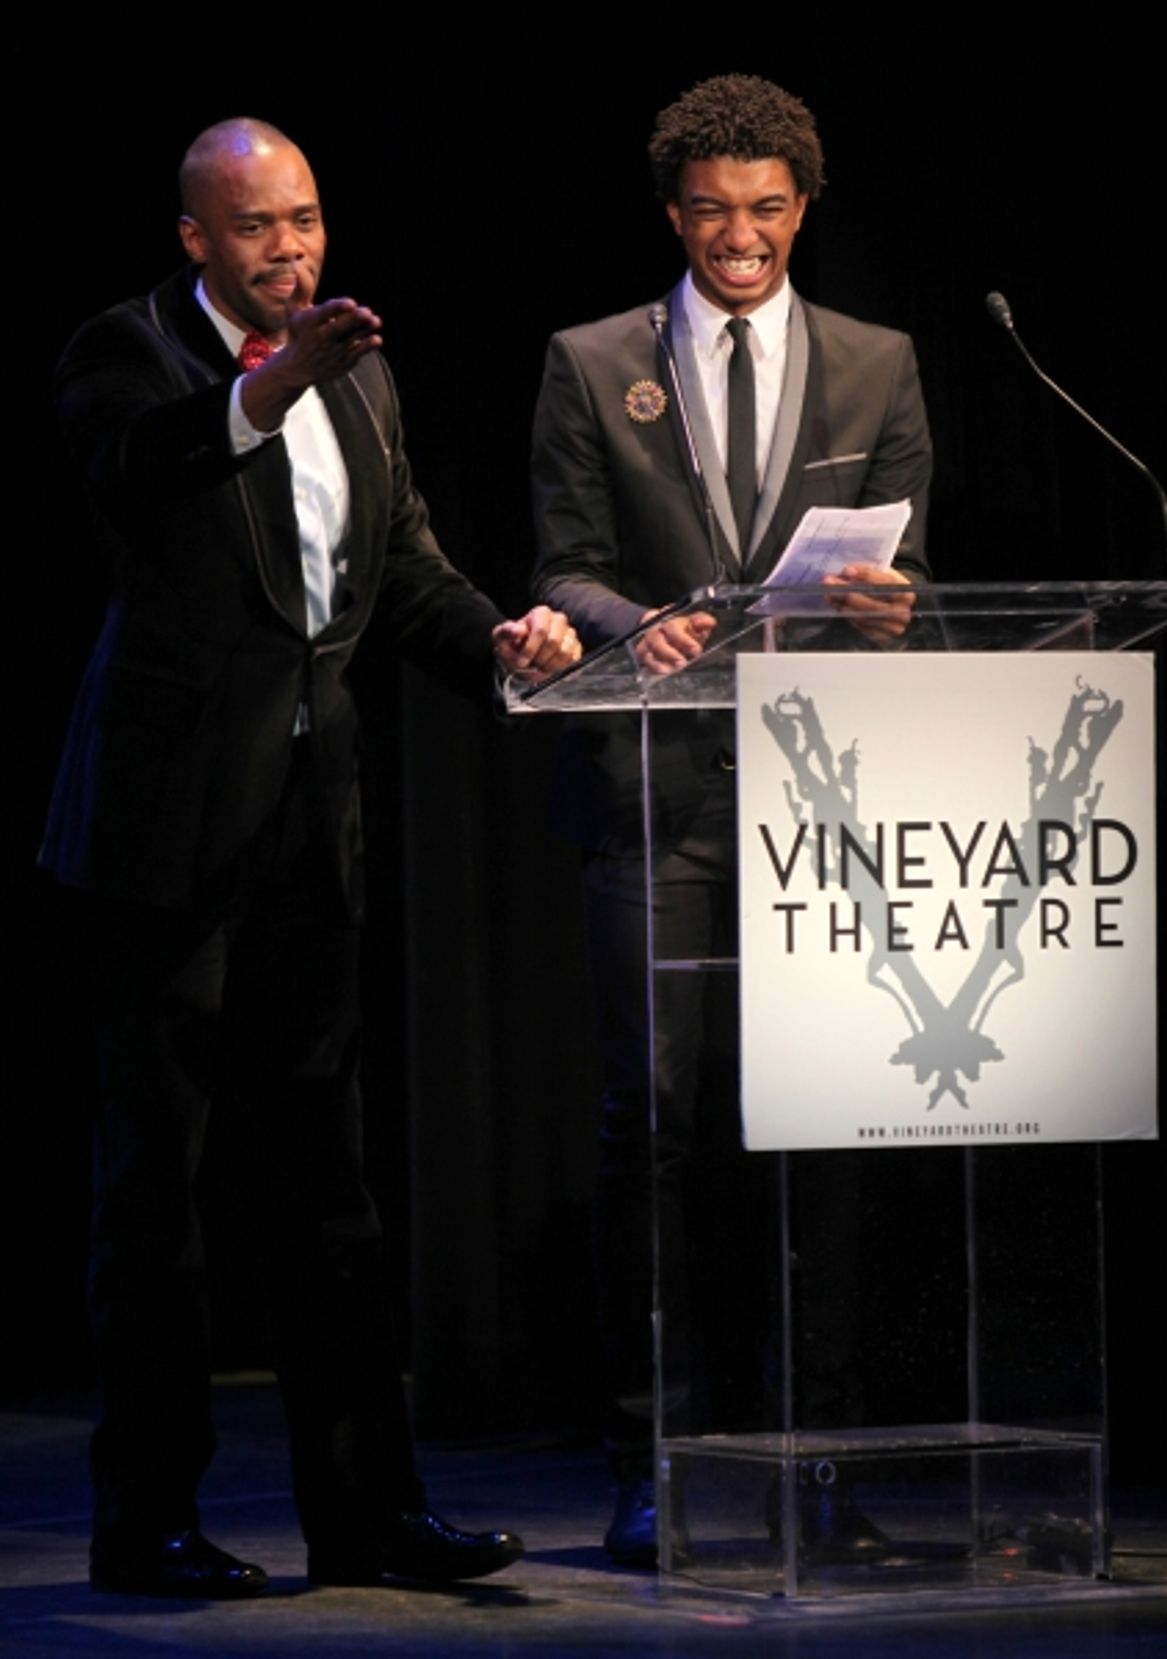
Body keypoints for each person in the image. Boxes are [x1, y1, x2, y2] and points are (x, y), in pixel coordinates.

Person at [42, 116, 580, 1600]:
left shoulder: (363, 375)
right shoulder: (126, 351)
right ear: (195, 240)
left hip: (308, 833)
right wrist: (271, 382)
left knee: (327, 1191)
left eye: (307, 219)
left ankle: (367, 1516)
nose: (291, 249)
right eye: (256, 227)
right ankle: (145, 1523)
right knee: (155, 1195)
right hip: (160, 837)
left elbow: (398, 571)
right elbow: (142, 470)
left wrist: (503, 644)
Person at [530, 74, 932, 1565]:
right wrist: (637, 624)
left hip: (820, 804)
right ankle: (649, 1464)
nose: (739, 237)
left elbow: (908, 563)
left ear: (802, 211)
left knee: (819, 1136)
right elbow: (563, 566)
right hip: (655, 798)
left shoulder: (880, 363)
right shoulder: (591, 363)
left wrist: (892, 604)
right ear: (675, 215)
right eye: (711, 211)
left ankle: (822, 1464)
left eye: (765, 209)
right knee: (652, 1129)